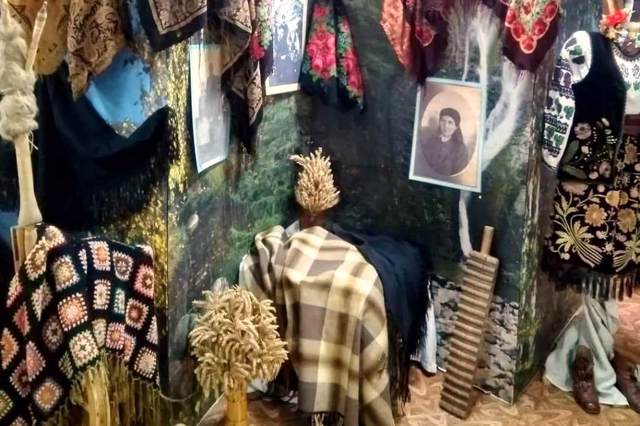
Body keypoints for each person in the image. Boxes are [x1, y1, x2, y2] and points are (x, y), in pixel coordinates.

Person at [421, 107, 469, 176]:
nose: (446, 126)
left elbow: (457, 175)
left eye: (450, 122)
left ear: (456, 127)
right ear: (439, 122)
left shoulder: (461, 149)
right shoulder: (430, 142)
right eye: (443, 121)